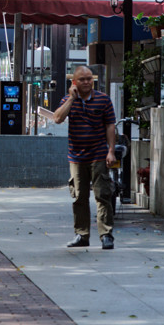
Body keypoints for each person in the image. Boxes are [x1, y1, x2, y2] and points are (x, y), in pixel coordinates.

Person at [53, 65, 116, 250]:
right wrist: (72, 98)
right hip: (76, 156)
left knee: (103, 196)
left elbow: (110, 126)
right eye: (82, 79)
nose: (87, 82)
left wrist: (111, 150)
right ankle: (82, 235)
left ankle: (106, 235)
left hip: (98, 154)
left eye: (89, 78)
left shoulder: (103, 100)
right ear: (74, 82)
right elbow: (57, 118)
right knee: (79, 197)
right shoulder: (68, 100)